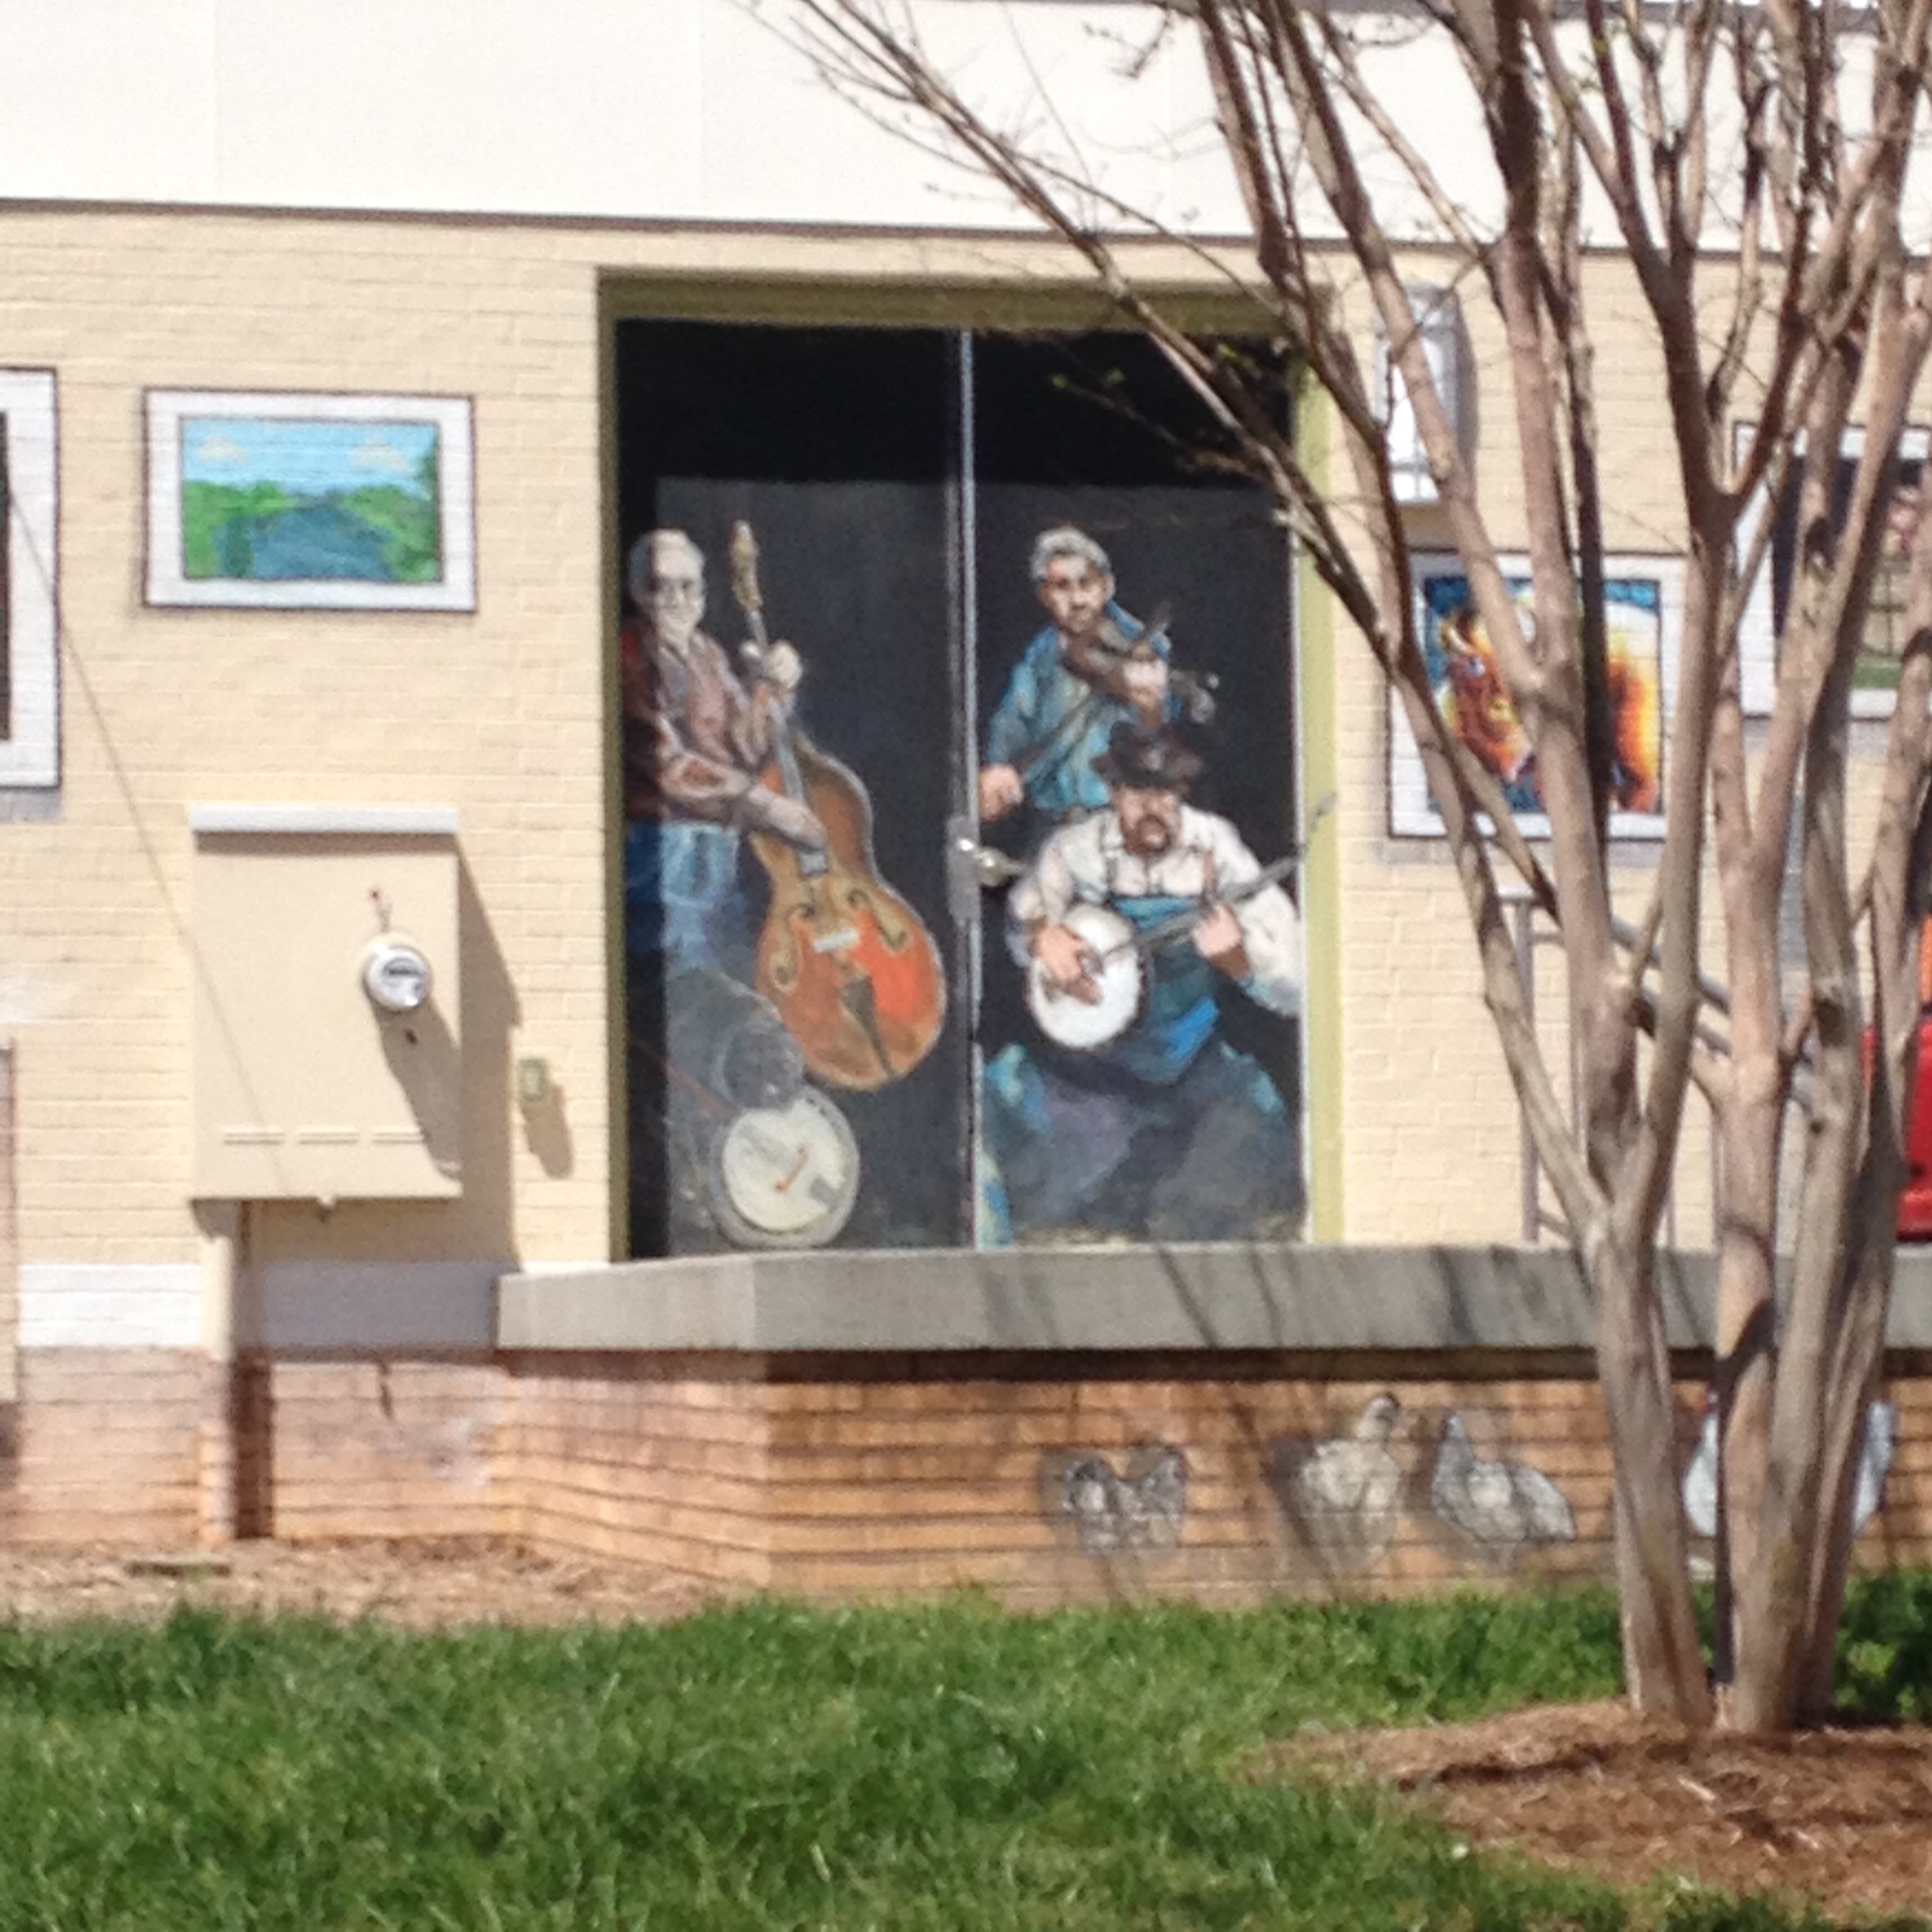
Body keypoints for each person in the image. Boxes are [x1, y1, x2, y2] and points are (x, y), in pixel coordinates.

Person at [980, 722, 1303, 1243]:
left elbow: (1296, 979)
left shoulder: (1217, 849)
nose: (1153, 807)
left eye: (1166, 792)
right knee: (1008, 1129)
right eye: (1137, 792)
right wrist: (1044, 938)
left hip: (1191, 1067)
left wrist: (1240, 961)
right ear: (1113, 792)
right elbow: (1023, 917)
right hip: (1090, 1079)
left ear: (1182, 792)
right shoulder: (1075, 850)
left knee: (1252, 1141)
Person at [619, 528, 824, 974]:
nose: (676, 601)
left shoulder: (705, 651)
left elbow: (743, 747)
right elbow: (670, 767)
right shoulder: (628, 658)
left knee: (732, 971)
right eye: (660, 587)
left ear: (703, 594)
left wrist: (772, 689)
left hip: (718, 853)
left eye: (688, 587)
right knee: (694, 983)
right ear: (637, 591)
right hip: (662, 856)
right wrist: (766, 806)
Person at [979, 526, 1174, 828]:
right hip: (1054, 821)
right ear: (1044, 595)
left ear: (1106, 587)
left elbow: (1170, 746)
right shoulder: (1040, 654)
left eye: (1086, 584)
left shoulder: (1144, 647)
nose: (1078, 599)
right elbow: (1012, 720)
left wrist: (1152, 710)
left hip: (1125, 824)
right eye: (1062, 587)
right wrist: (999, 769)